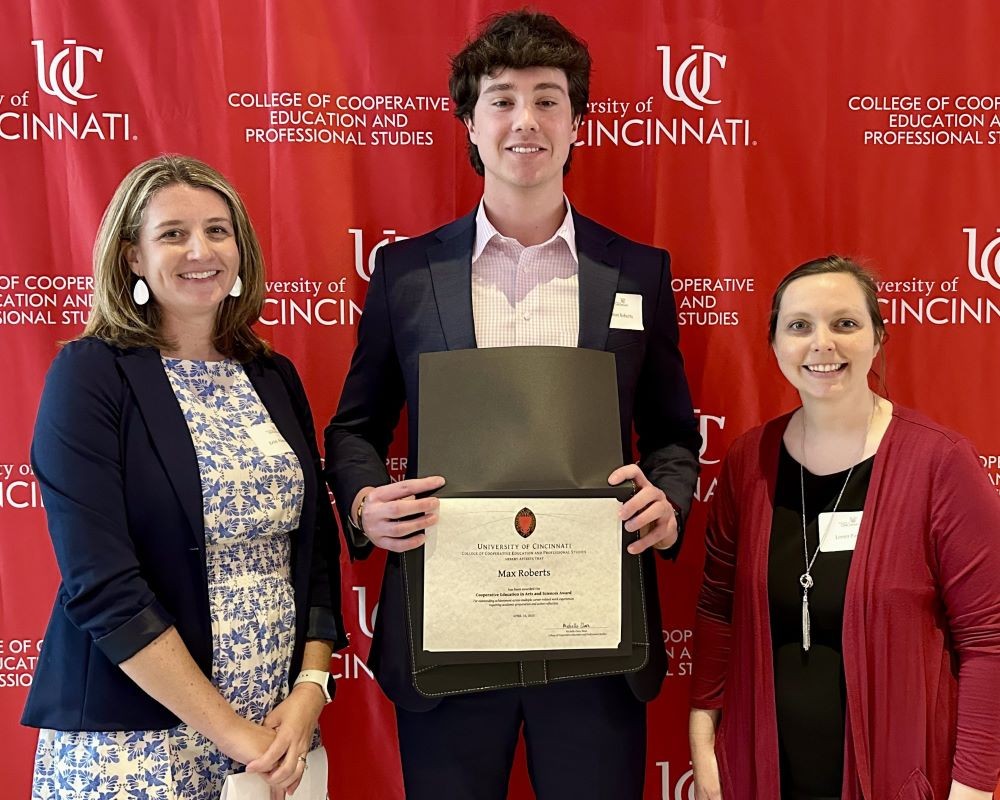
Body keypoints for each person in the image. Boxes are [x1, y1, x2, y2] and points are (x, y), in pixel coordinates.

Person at [325, 10, 700, 800]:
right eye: (501, 99)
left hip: (593, 631)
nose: (524, 120)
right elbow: (354, 427)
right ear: (469, 120)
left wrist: (669, 499)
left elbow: (672, 434)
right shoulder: (404, 274)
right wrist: (363, 503)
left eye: (547, 99)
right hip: (450, 634)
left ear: (577, 122)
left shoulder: (635, 271)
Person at [23, 155, 347, 800]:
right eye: (173, 233)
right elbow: (102, 587)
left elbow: (312, 557)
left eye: (217, 230)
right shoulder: (91, 376)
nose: (201, 250)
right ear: (133, 257)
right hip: (137, 742)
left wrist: (309, 691)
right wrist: (231, 733)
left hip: (275, 736)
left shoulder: (271, 375)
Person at [689, 256, 1000, 800]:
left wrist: (972, 788)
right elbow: (718, 606)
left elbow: (989, 640)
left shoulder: (939, 462)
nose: (821, 343)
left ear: (877, 338)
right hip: (763, 773)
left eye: (845, 324)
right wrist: (703, 739)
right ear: (776, 344)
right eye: (800, 325)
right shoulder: (747, 461)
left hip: (897, 776)